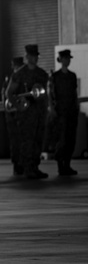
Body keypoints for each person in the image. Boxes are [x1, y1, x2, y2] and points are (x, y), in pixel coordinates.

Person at [6, 44, 51, 180]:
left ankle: (35, 167)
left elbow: (45, 94)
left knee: (38, 140)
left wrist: (47, 109)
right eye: (32, 56)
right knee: (27, 141)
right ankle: (27, 168)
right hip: (25, 115)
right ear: (27, 57)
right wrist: (18, 106)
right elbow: (9, 92)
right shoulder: (19, 74)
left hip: (39, 113)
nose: (35, 58)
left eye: (36, 56)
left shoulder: (42, 74)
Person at [51, 49, 79, 177]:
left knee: (70, 139)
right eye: (65, 58)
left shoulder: (72, 76)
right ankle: (60, 166)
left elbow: (74, 93)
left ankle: (67, 164)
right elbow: (52, 95)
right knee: (61, 139)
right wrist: (52, 109)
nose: (67, 61)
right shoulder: (55, 77)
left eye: (68, 58)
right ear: (60, 60)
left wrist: (76, 106)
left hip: (71, 111)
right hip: (61, 111)